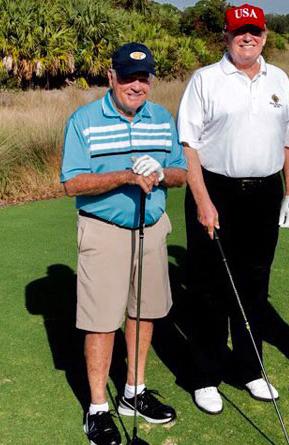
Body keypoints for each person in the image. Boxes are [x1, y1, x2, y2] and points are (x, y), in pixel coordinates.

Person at [177, 3, 289, 414]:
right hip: (216, 190)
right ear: (226, 38)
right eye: (239, 33)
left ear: (264, 36)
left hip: (266, 192)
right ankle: (205, 376)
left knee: (254, 285)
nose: (247, 38)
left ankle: (251, 370)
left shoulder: (279, 79)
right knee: (211, 286)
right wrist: (202, 200)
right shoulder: (205, 80)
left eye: (254, 32)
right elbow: (189, 145)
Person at [60, 42, 187, 444]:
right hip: (104, 230)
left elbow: (182, 172)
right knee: (101, 322)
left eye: (144, 76)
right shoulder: (84, 120)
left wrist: (162, 173)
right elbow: (72, 183)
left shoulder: (163, 118)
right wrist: (127, 175)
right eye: (128, 77)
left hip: (151, 229)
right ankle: (98, 408)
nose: (137, 85)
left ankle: (134, 392)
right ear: (111, 76)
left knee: (143, 312)